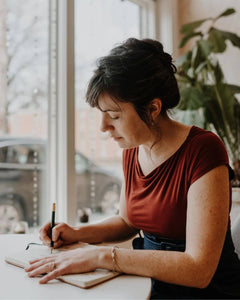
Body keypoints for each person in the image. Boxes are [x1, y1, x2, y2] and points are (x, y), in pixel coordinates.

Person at [24, 38, 240, 299]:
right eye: (102, 114)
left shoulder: (203, 150)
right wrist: (78, 233)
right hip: (148, 283)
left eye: (114, 115)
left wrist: (101, 255)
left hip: (204, 292)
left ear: (153, 108)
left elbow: (199, 269)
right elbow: (127, 221)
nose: (104, 127)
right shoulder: (132, 149)